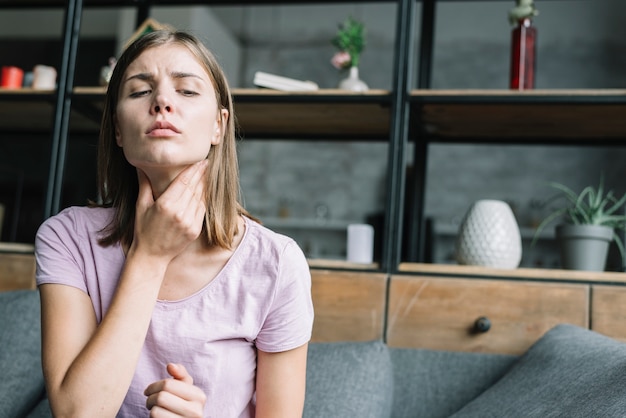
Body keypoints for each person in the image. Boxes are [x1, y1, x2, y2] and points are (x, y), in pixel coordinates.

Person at [35, 29, 314, 418]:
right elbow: (75, 413)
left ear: (219, 126)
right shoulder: (66, 238)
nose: (162, 101)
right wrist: (148, 257)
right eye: (138, 91)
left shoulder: (277, 263)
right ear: (117, 129)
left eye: (186, 90)